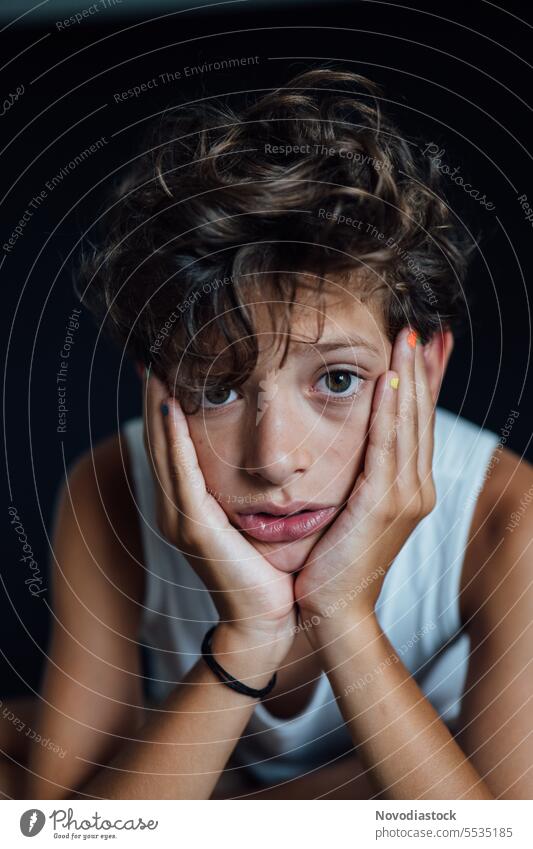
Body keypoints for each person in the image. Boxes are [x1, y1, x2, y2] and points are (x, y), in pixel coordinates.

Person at [4, 67, 531, 800]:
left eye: (336, 380)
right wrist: (249, 635)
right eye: (216, 389)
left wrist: (342, 614)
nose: (275, 458)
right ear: (157, 383)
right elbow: (64, 828)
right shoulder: (109, 491)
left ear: (426, 367)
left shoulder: (505, 517)